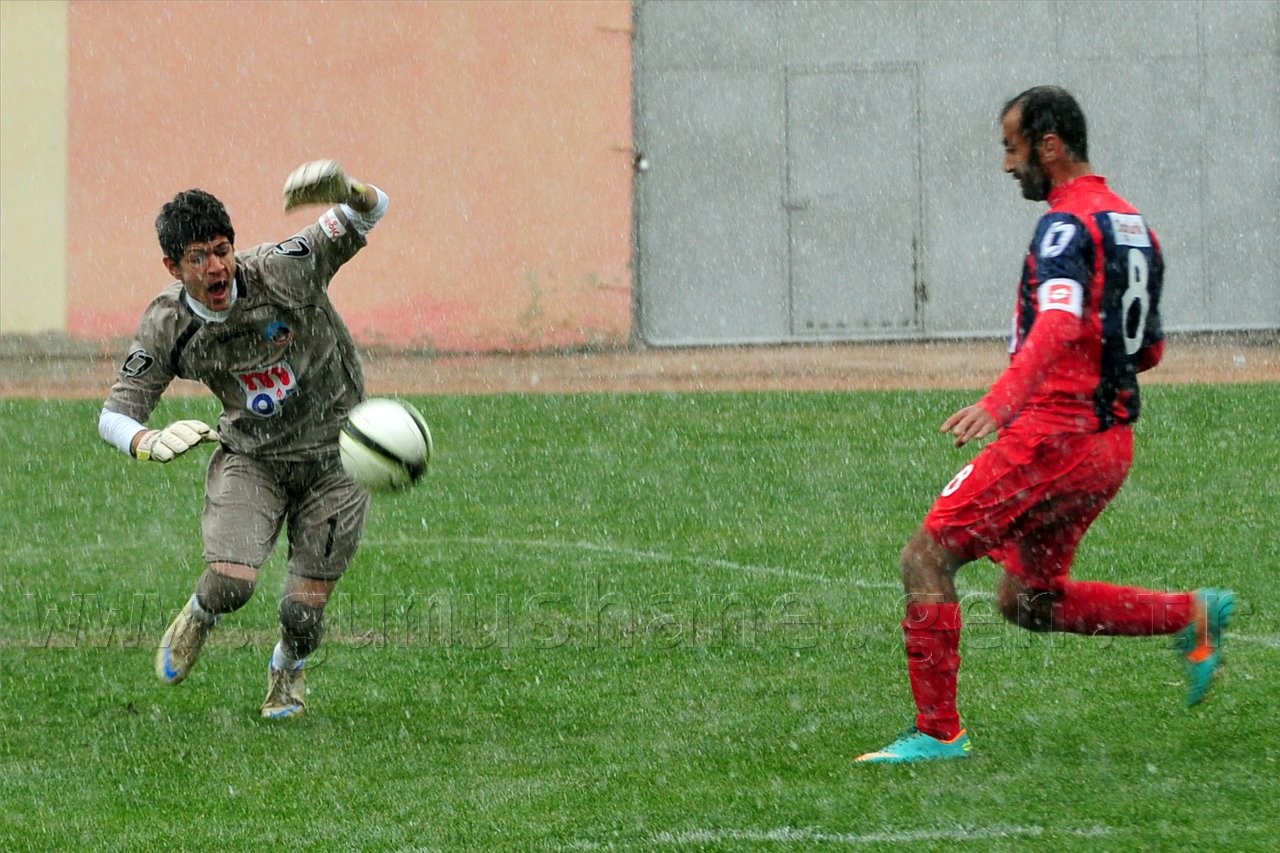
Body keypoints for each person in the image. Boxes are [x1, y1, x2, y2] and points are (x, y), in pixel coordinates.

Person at [855, 87, 1236, 764]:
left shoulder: (1065, 226)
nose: (1009, 165)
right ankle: (1191, 614)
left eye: (1013, 147)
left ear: (1049, 145)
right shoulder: (1134, 226)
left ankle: (938, 731)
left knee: (926, 557)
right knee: (1030, 600)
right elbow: (1147, 349)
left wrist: (1002, 404)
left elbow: (1060, 321)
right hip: (1110, 444)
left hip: (1054, 437)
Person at [98, 160, 389, 719]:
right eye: (198, 257)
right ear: (172, 265)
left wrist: (352, 191)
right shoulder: (167, 324)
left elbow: (372, 211)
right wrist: (145, 441)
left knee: (303, 613)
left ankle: (287, 670)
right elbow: (115, 412)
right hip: (252, 456)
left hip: (339, 455)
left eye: (222, 248)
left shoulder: (284, 269)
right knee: (232, 583)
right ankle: (199, 617)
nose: (217, 266)